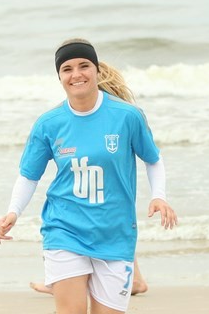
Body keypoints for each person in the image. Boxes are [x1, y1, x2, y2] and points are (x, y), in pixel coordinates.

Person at [0, 39, 177, 314]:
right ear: (59, 77)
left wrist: (159, 197)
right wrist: (13, 212)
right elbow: (29, 175)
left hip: (115, 235)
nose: (76, 74)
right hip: (65, 229)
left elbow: (154, 160)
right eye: (67, 69)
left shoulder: (127, 117)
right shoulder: (49, 123)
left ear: (96, 70)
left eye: (83, 66)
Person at [28, 62, 149, 296]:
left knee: (101, 215)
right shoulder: (110, 102)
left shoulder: (115, 110)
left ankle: (61, 281)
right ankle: (134, 279)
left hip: (102, 180)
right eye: (67, 69)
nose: (76, 75)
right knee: (106, 217)